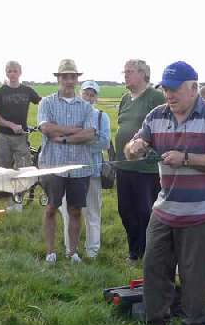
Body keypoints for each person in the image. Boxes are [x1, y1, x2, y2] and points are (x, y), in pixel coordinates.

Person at [125, 61, 205, 325]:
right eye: (166, 90)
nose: (169, 95)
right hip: (165, 209)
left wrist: (185, 159)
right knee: (154, 267)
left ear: (193, 88)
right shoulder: (155, 116)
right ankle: (156, 323)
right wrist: (135, 147)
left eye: (175, 90)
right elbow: (131, 149)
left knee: (196, 275)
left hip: (203, 213)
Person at [37, 59, 95, 263]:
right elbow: (45, 128)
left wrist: (63, 137)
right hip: (53, 165)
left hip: (79, 167)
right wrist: (74, 130)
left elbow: (89, 134)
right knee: (51, 207)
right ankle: (50, 252)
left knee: (75, 210)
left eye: (73, 77)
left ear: (77, 79)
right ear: (58, 79)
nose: (69, 81)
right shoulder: (47, 103)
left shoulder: (86, 107)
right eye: (65, 76)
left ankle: (73, 252)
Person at [116, 59, 166, 263]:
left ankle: (148, 252)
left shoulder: (155, 97)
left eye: (130, 71)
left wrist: (150, 150)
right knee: (125, 210)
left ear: (144, 74)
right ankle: (134, 251)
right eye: (125, 71)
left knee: (145, 211)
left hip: (146, 168)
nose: (125, 75)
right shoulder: (125, 99)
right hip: (123, 164)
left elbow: (164, 126)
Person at [60, 80, 111, 258]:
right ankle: (70, 250)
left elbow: (104, 142)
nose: (88, 97)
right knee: (68, 212)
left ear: (96, 98)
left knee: (93, 212)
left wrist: (78, 141)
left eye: (92, 95)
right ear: (79, 94)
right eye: (85, 94)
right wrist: (85, 139)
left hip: (92, 171)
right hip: (70, 172)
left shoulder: (102, 117)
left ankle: (92, 251)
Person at [0, 60, 41, 211]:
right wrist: (11, 125)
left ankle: (17, 203)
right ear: (6, 73)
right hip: (3, 137)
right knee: (3, 171)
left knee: (24, 170)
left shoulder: (27, 91)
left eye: (15, 71)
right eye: (9, 71)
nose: (12, 74)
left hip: (21, 139)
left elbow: (43, 103)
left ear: (20, 72)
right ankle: (9, 202)